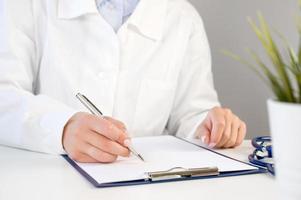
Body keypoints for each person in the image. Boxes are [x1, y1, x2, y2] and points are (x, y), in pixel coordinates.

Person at [0, 0, 246, 163]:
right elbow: (4, 94)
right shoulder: (26, 5)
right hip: (46, 180)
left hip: (144, 185)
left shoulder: (183, 18)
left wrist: (212, 126)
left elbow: (192, 113)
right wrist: (61, 128)